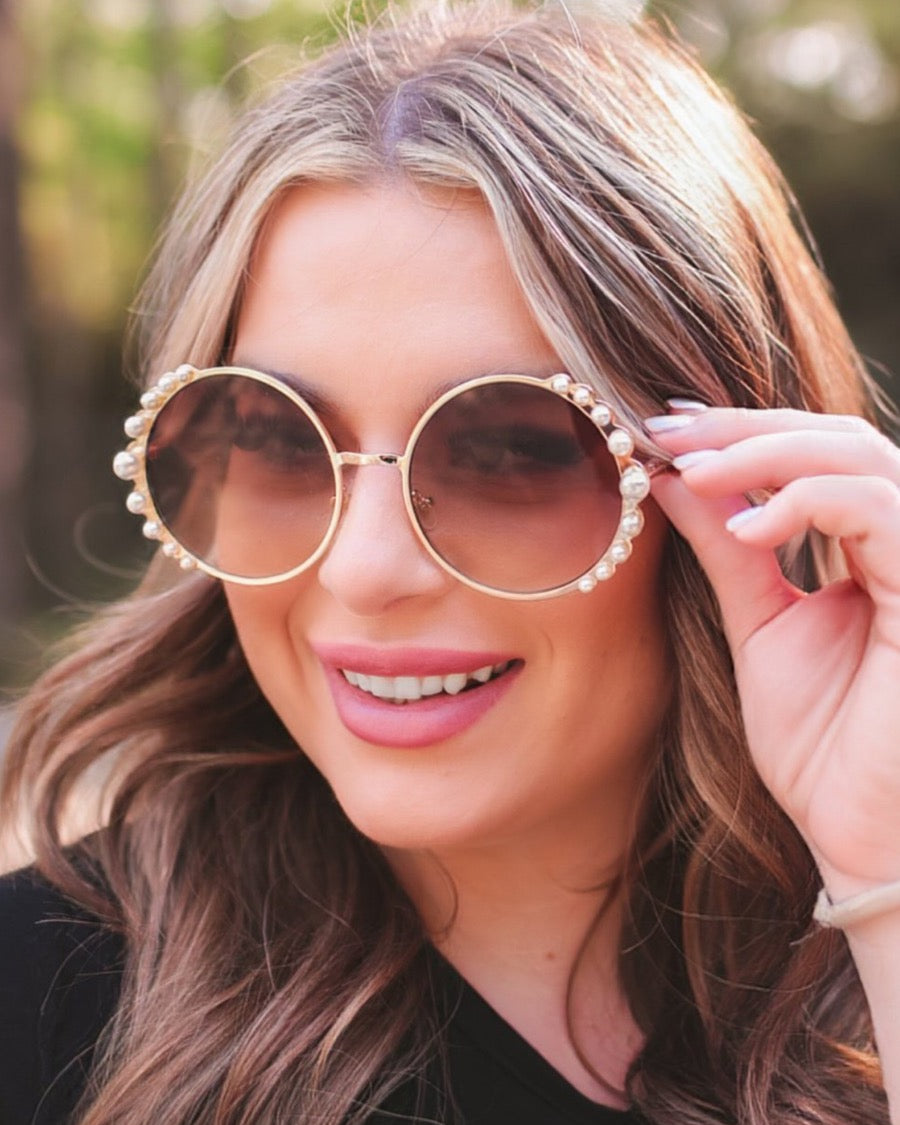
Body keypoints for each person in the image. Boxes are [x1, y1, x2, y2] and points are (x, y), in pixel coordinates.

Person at [1, 1, 898, 1122]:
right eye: (277, 437)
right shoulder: (40, 1013)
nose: (366, 569)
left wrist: (882, 868)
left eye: (510, 449)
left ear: (733, 486)